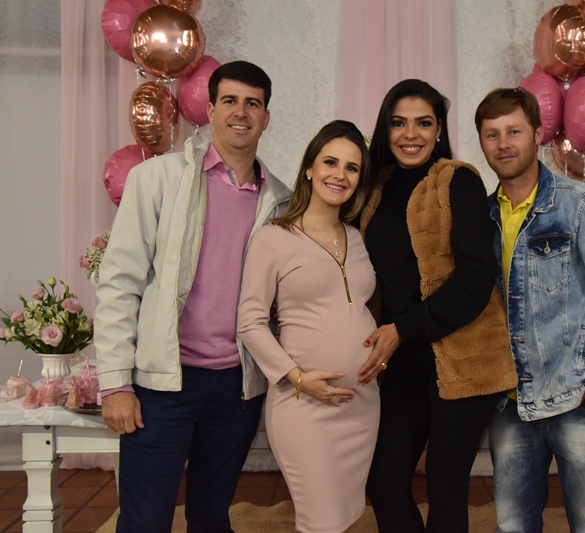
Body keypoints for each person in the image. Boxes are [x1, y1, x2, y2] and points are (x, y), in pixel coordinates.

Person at [94, 61, 291, 533]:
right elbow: (120, 282)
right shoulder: (156, 179)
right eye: (230, 101)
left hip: (236, 387)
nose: (241, 112)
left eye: (253, 103)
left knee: (211, 516)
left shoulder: (281, 200)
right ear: (210, 110)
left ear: (266, 117)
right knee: (145, 520)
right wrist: (115, 383)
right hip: (163, 382)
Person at [474, 87, 585, 533]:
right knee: (513, 525)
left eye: (514, 131)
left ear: (538, 134)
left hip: (578, 399)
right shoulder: (480, 217)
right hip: (510, 405)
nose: (503, 143)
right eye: (492, 134)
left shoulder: (582, 206)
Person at [358, 79, 518, 533]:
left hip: (465, 358)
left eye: (423, 123)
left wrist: (401, 328)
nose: (411, 134)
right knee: (384, 483)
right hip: (404, 360)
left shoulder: (458, 180)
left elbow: (474, 281)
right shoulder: (375, 189)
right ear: (385, 129)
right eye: (399, 123)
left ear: (439, 129)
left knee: (446, 489)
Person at [237, 120, 378, 532]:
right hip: (304, 406)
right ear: (310, 169)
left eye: (352, 168)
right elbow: (250, 322)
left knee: (346, 515)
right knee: (322, 521)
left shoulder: (358, 236)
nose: (340, 175)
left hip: (362, 405)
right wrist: (297, 378)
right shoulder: (274, 238)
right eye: (330, 162)